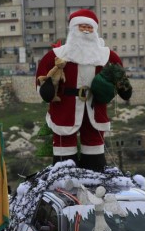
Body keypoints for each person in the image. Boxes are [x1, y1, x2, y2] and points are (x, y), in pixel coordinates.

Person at [35, 9, 130, 170]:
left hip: (95, 106)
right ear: (73, 29)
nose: (86, 30)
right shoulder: (57, 56)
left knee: (94, 143)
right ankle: (63, 174)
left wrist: (124, 88)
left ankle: (95, 172)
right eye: (82, 27)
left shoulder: (106, 56)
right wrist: (47, 89)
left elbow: (120, 75)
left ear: (95, 30)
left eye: (89, 27)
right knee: (64, 144)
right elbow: (41, 79)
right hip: (65, 108)